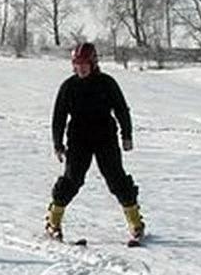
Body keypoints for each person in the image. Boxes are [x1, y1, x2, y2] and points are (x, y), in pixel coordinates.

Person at [46, 42, 146, 242]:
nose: (80, 67)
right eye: (76, 63)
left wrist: (127, 135)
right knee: (72, 180)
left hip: (105, 138)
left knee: (117, 179)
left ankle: (135, 222)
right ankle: (53, 221)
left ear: (93, 63)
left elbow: (121, 110)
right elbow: (59, 117)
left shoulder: (107, 83)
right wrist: (58, 144)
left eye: (84, 63)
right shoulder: (69, 86)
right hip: (78, 140)